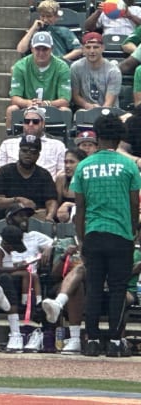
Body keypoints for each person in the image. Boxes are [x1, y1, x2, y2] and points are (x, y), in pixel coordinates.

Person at [70, 113, 141, 357]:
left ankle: (90, 340)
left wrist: (81, 239)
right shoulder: (129, 165)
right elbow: (134, 203)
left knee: (94, 287)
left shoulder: (84, 166)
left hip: (93, 233)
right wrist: (133, 231)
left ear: (97, 137)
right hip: (121, 234)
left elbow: (80, 208)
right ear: (119, 138)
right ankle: (114, 341)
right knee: (119, 288)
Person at [0, 203, 54, 352]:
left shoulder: (35, 236)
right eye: (20, 215)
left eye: (26, 215)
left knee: (7, 278)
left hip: (23, 280)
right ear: (9, 219)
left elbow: (55, 242)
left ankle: (16, 331)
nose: (24, 218)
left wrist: (48, 248)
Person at [6, 32, 71, 134]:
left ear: (51, 49)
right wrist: (29, 103)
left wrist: (46, 103)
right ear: (32, 49)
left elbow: (65, 100)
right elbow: (15, 98)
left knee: (65, 110)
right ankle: (10, 140)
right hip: (27, 108)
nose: (41, 53)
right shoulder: (20, 66)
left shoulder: (62, 67)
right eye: (38, 49)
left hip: (52, 108)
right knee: (12, 109)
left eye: (45, 49)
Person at [0, 133, 58, 221]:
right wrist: (19, 200)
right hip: (8, 218)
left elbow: (51, 201)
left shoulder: (44, 175)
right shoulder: (5, 171)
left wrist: (49, 216)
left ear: (38, 155)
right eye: (24, 150)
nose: (28, 154)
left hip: (35, 219)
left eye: (33, 152)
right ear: (19, 152)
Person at [0, 107, 66, 181]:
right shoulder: (7, 144)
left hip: (44, 187)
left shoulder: (58, 146)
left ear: (43, 123)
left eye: (35, 121)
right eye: (27, 121)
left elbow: (62, 172)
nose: (30, 124)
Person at [16, 0, 81, 63]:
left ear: (56, 17)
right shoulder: (34, 31)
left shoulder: (64, 31)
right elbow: (20, 50)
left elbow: (78, 50)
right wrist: (32, 29)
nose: (45, 19)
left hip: (58, 66)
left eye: (49, 16)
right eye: (42, 16)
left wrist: (61, 60)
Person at [70, 32, 121, 111]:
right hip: (85, 110)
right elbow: (75, 95)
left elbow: (109, 103)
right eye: (88, 47)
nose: (92, 51)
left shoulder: (113, 71)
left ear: (103, 48)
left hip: (108, 111)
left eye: (96, 47)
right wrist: (87, 105)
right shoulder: (75, 67)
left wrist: (98, 112)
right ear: (83, 49)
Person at [55, 148, 87, 223]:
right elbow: (57, 204)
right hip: (62, 219)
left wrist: (68, 204)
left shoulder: (88, 180)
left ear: (82, 163)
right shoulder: (61, 179)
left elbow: (90, 205)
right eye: (65, 162)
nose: (67, 166)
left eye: (72, 162)